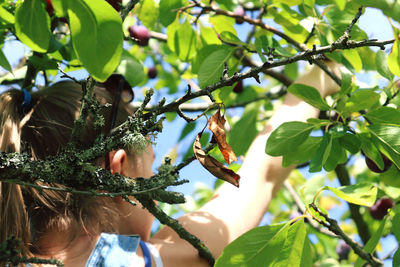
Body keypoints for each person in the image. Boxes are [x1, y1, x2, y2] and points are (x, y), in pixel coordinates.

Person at [0, 61, 341, 267]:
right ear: (117, 172)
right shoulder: (146, 260)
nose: (157, 187)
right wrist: (321, 76)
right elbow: (261, 175)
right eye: (149, 173)